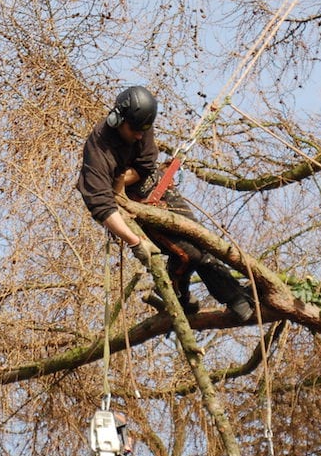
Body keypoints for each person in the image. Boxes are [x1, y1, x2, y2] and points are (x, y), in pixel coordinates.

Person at [76, 85, 253, 321]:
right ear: (118, 119)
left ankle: (234, 296)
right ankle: (221, 298)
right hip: (129, 207)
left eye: (143, 130)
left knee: (201, 239)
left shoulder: (141, 123)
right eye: (135, 130)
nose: (140, 136)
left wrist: (120, 178)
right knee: (189, 253)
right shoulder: (98, 149)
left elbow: (146, 164)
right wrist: (135, 241)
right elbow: (101, 205)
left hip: (155, 186)